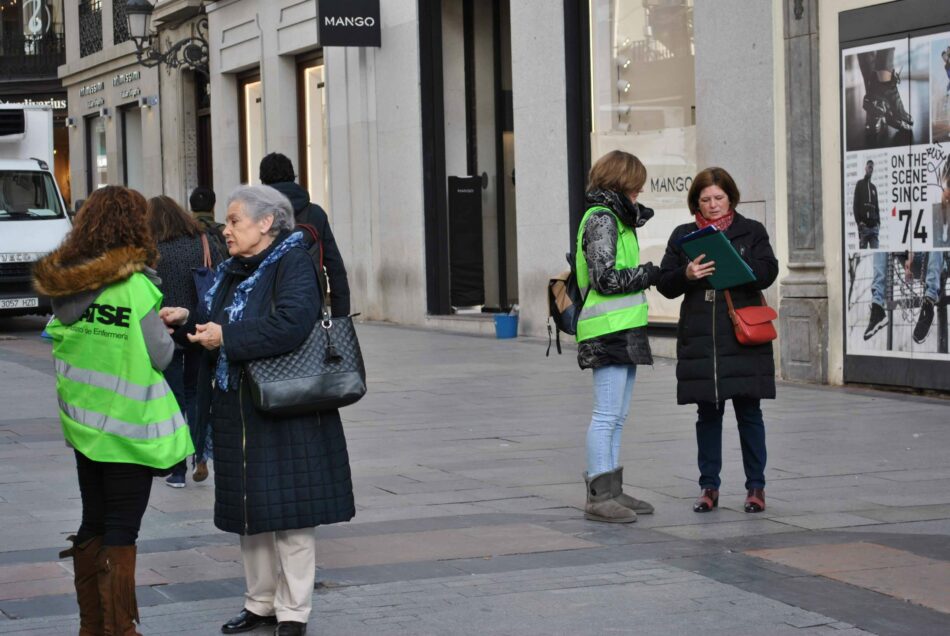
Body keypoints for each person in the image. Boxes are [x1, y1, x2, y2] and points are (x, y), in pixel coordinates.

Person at [169, 185, 355, 635]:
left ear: (266, 223)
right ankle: (259, 603)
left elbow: (291, 324)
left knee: (290, 513)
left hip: (284, 405)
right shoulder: (234, 267)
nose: (225, 229)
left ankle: (294, 612)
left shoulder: (293, 262)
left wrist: (226, 339)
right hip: (236, 404)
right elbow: (216, 319)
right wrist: (187, 321)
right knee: (248, 511)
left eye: (234, 221)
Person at [32, 186, 194, 635]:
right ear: (133, 227)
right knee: (123, 528)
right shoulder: (135, 288)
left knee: (93, 520)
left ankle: (92, 627)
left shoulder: (66, 289)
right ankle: (121, 628)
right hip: (129, 428)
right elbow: (160, 357)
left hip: (85, 427)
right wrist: (169, 325)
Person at [657, 167, 779, 514]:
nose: (712, 205)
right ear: (696, 201)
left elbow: (768, 271)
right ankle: (708, 486)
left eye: (719, 198)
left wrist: (738, 261)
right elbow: (666, 282)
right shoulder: (684, 235)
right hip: (702, 337)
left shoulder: (750, 231)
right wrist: (687, 274)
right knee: (707, 414)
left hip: (741, 334)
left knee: (749, 413)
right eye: (705, 199)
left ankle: (756, 487)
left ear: (731, 198)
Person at [575, 150, 661, 524]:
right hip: (606, 329)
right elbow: (604, 279)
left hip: (624, 327)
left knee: (618, 415)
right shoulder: (601, 219)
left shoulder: (620, 221)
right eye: (635, 185)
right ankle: (598, 495)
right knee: (606, 414)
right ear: (621, 182)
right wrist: (648, 274)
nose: (638, 193)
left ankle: (612, 489)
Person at [147, 195, 223, 486]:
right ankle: (200, 454)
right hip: (196, 326)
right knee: (195, 396)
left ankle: (177, 469)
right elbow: (219, 275)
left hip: (163, 330)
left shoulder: (151, 247)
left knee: (173, 399)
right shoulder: (201, 240)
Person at [259, 152, 350, 317]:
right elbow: (335, 269)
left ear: (263, 182)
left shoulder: (256, 215)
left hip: (268, 313)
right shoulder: (315, 213)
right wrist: (340, 317)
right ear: (292, 177)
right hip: (311, 306)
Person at [853, 160, 880, 249]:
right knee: (862, 251)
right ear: (865, 168)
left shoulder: (874, 188)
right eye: (869, 167)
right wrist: (858, 222)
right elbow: (855, 205)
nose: (870, 169)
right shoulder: (859, 184)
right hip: (863, 227)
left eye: (872, 167)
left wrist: (878, 223)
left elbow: (877, 207)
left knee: (876, 250)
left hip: (874, 228)